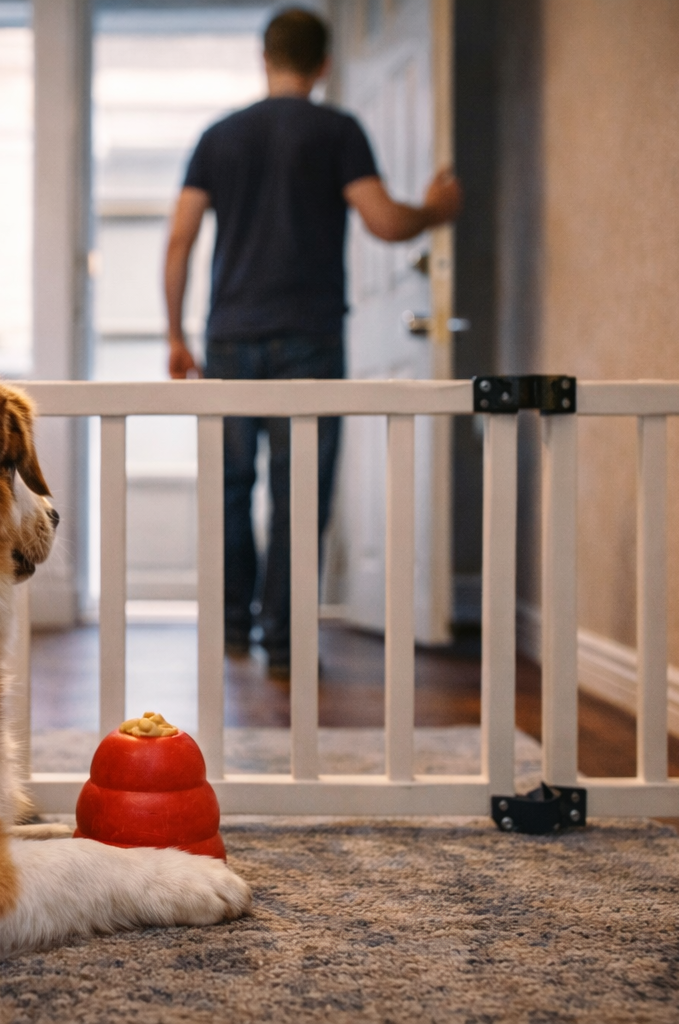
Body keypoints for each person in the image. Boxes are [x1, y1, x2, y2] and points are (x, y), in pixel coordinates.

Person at [164, 6, 462, 677]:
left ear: (264, 59)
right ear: (324, 64)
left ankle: (232, 629)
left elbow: (180, 239)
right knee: (300, 492)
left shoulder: (219, 137)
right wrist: (435, 210)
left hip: (231, 338)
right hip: (310, 337)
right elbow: (384, 222)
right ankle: (286, 644)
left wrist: (176, 334)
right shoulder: (337, 131)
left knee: (230, 487)